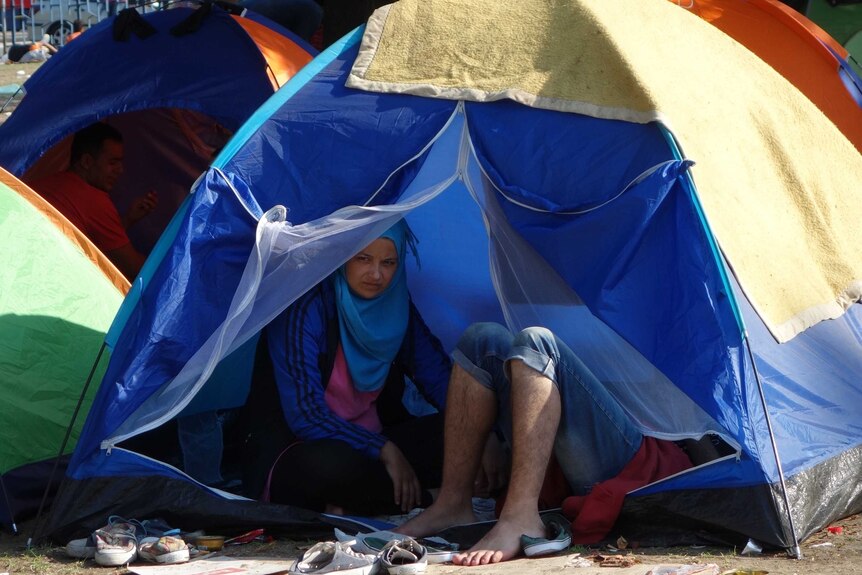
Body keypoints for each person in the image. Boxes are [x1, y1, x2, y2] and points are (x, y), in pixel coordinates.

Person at [397, 323, 697, 565]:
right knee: (480, 340)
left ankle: (521, 516)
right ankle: (452, 503)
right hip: (546, 439)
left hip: (627, 448)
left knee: (538, 341)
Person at [251, 221, 452, 515]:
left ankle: (358, 503)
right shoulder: (304, 305)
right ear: (342, 256)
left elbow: (437, 375)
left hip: (376, 442)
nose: (376, 274)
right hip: (303, 447)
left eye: (388, 262)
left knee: (455, 434)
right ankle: (430, 499)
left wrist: (478, 435)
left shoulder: (394, 305)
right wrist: (383, 449)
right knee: (327, 467)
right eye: (363, 258)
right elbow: (305, 416)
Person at [30, 123, 158, 281]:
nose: (120, 170)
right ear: (86, 162)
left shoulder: (45, 184)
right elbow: (135, 269)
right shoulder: (93, 200)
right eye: (112, 162)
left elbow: (96, 244)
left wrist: (128, 219)